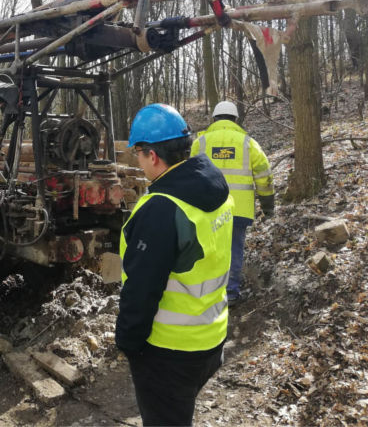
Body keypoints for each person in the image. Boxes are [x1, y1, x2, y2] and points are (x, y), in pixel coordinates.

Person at [116, 104, 234, 426]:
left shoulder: (161, 209)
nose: (138, 164)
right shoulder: (215, 185)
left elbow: (141, 291)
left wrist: (127, 343)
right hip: (212, 334)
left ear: (152, 155)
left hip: (170, 351)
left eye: (138, 156)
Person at [191, 100, 275, 305]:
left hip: (207, 208)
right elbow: (264, 176)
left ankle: (208, 292)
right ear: (236, 119)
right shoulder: (248, 143)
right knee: (234, 249)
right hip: (239, 210)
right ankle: (230, 293)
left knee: (208, 249)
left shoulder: (200, 143)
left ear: (214, 119)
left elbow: (189, 175)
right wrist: (267, 205)